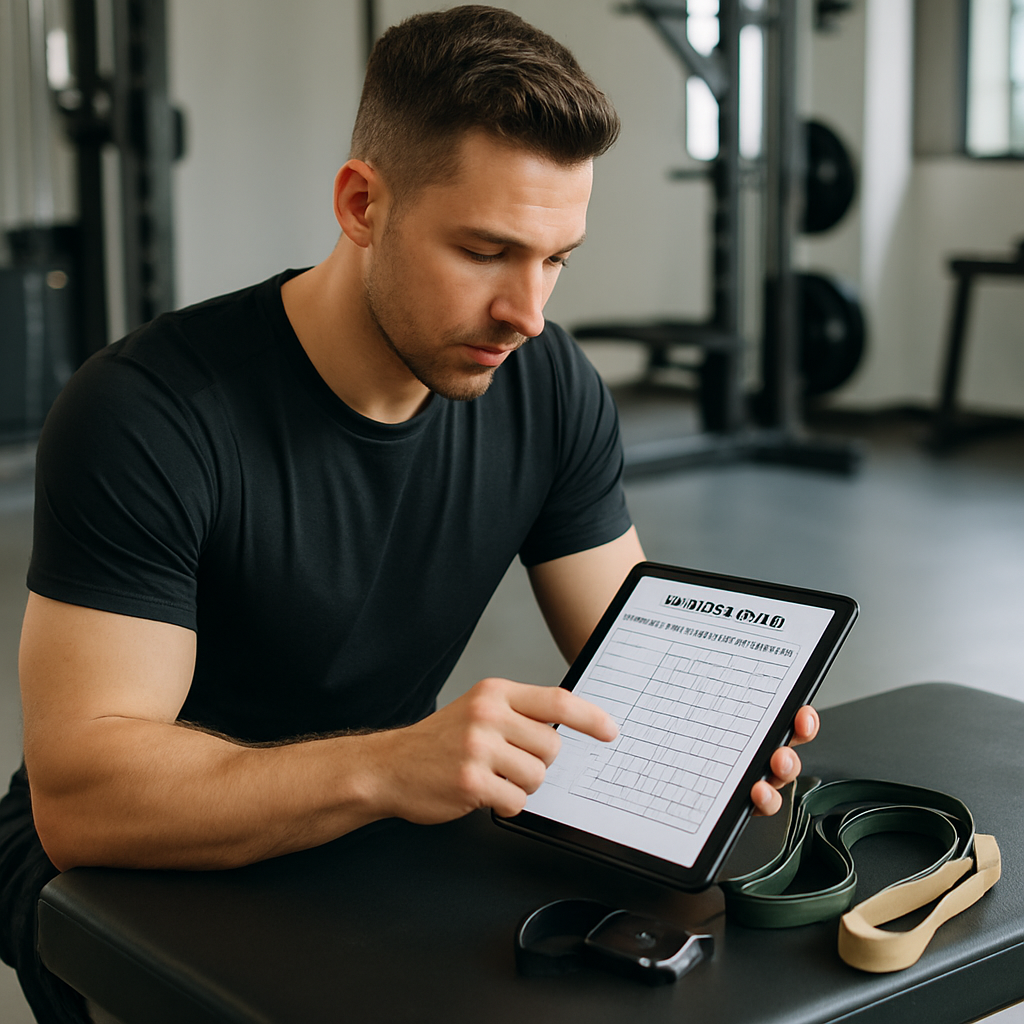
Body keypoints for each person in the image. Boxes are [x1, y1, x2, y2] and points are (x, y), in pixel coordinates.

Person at [0, 7, 818, 1022]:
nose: (528, 311)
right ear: (360, 203)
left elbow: (624, 655)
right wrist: (392, 761)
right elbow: (84, 802)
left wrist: (716, 726)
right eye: (486, 251)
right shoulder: (146, 412)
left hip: (368, 824)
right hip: (132, 873)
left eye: (557, 258)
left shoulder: (547, 382)